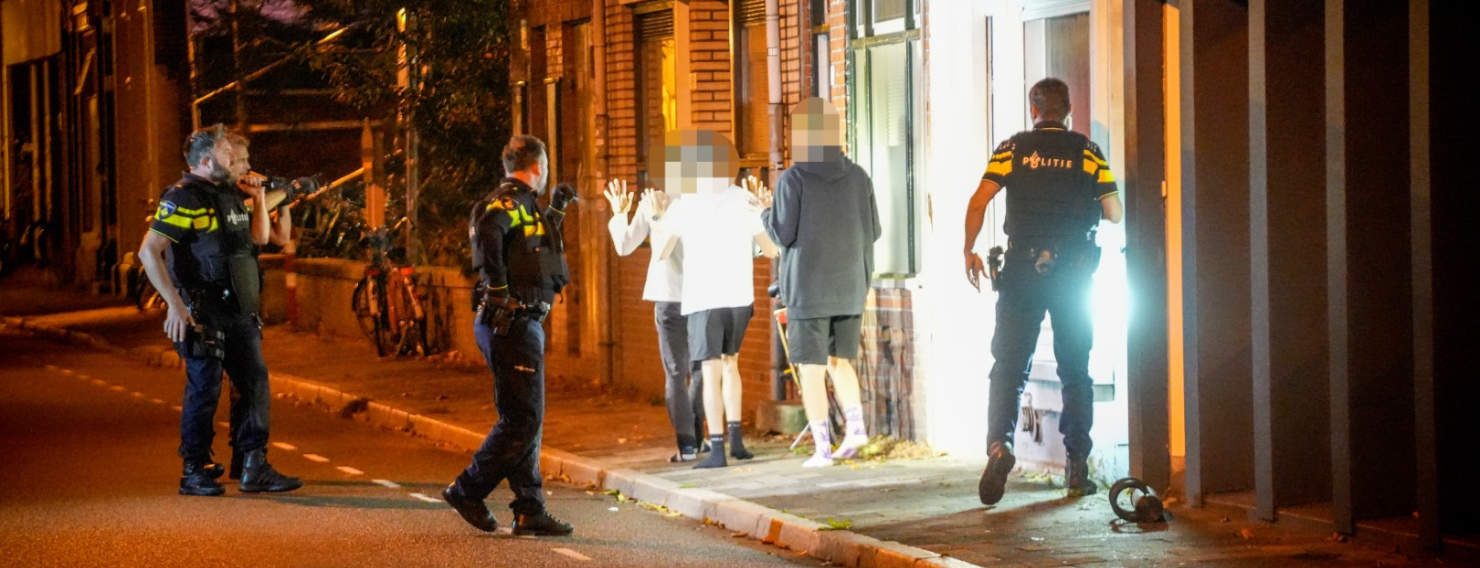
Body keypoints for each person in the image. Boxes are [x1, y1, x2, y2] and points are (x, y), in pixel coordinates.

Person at [963, 78, 1123, 505]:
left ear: (1033, 110)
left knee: (1009, 365)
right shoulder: (1088, 152)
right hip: (1073, 273)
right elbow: (1115, 212)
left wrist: (968, 250)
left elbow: (978, 202)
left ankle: (1000, 446)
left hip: (1021, 270)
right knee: (1075, 369)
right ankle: (1077, 467)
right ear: (1068, 110)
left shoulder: (1012, 150)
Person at [137, 124, 301, 496]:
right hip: (203, 310)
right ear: (207, 160)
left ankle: (253, 464)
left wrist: (278, 196)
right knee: (205, 389)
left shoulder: (229, 194)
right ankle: (194, 470)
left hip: (239, 308)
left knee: (253, 383)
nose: (240, 162)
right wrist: (175, 306)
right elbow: (149, 251)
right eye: (230, 155)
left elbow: (259, 238)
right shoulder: (183, 197)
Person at [442, 135, 576, 536]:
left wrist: (557, 209)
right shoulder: (508, 204)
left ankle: (530, 508)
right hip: (511, 322)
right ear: (538, 167)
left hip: (519, 322)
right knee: (523, 419)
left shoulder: (522, 204)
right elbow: (490, 232)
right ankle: (468, 489)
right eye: (545, 166)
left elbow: (531, 246)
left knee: (525, 418)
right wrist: (499, 289)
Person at [760, 98, 881, 468]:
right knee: (839, 361)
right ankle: (856, 429)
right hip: (851, 286)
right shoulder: (858, 176)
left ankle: (823, 449)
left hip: (808, 289)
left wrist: (764, 212)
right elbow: (874, 230)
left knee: (810, 368)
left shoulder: (793, 179)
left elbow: (782, 234)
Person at [651, 129, 779, 469]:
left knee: (710, 371)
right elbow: (770, 250)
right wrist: (765, 212)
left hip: (703, 300)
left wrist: (660, 218)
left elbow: (662, 252)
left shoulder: (685, 204)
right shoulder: (744, 199)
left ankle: (718, 449)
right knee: (731, 363)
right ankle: (737, 441)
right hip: (739, 297)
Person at [604, 177, 708, 462]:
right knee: (700, 369)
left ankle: (687, 445)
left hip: (668, 296)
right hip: (702, 296)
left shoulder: (652, 200)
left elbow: (624, 245)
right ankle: (697, 439)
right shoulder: (707, 202)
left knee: (675, 372)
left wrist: (619, 214)